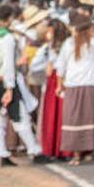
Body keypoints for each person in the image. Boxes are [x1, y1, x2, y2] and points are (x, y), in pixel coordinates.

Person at [0, 4, 50, 166]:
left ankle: (2, 153)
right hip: (8, 81)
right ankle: (34, 151)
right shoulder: (7, 38)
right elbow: (8, 64)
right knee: (20, 116)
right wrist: (9, 87)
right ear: (10, 18)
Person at [56, 12, 94, 165]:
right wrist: (59, 84)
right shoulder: (69, 44)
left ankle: (90, 150)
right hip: (75, 86)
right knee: (75, 119)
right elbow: (61, 66)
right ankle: (77, 153)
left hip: (91, 84)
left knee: (90, 118)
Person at [33, 18, 70, 159]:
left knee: (53, 114)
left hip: (55, 80)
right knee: (62, 114)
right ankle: (63, 148)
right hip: (64, 78)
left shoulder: (51, 47)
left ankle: (53, 146)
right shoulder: (68, 43)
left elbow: (43, 67)